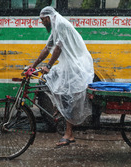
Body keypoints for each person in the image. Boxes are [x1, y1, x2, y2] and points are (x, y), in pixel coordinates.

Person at [28, 6, 95, 147]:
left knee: (68, 98)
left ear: (47, 17)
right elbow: (47, 48)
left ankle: (69, 134)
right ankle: (59, 113)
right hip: (69, 64)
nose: (42, 23)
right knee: (53, 82)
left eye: (42, 20)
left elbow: (58, 48)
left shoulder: (61, 24)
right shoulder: (56, 25)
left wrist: (48, 66)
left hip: (78, 65)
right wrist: (33, 66)